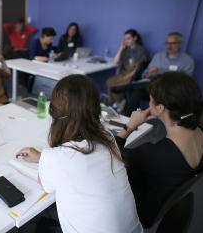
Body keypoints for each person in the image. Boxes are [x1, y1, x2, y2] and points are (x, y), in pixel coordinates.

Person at [17, 74, 142, 233]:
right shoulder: (108, 137)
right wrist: (44, 157)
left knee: (31, 221)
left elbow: (44, 184)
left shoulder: (58, 157)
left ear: (55, 115)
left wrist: (46, 158)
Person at [115, 72, 203, 227]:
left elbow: (111, 156)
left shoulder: (150, 155)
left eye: (150, 100)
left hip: (149, 216)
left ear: (160, 108)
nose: (148, 105)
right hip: (179, 211)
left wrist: (129, 126)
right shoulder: (201, 131)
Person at [122, 32, 195, 116]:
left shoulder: (188, 60)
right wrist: (149, 73)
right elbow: (144, 75)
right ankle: (127, 117)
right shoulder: (158, 57)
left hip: (172, 91)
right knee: (136, 90)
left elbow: (186, 83)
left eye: (173, 43)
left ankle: (164, 124)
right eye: (167, 43)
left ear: (180, 44)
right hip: (154, 88)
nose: (169, 46)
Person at [106, 29, 150, 106]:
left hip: (134, 75)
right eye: (125, 39)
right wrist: (121, 48)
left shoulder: (141, 51)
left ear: (135, 38)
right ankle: (118, 101)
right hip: (124, 73)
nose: (126, 41)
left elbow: (138, 69)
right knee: (109, 81)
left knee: (117, 83)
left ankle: (120, 101)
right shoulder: (126, 50)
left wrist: (125, 77)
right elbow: (115, 61)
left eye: (128, 38)